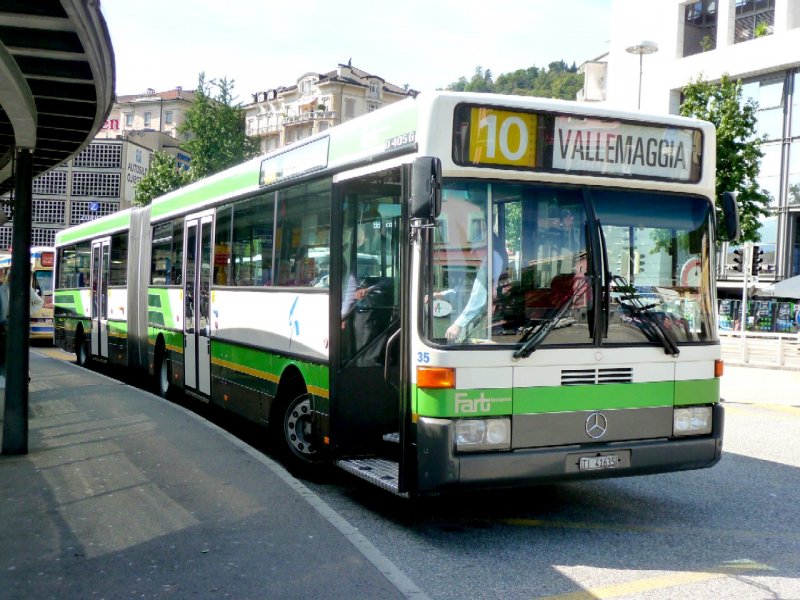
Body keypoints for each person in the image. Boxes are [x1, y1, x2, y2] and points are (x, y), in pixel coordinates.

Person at [438, 235, 508, 343]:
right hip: (480, 315)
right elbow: (467, 287)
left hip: (486, 315)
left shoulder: (491, 258)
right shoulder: (483, 260)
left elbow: (478, 295)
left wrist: (458, 324)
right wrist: (442, 295)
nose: (472, 254)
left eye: (474, 250)